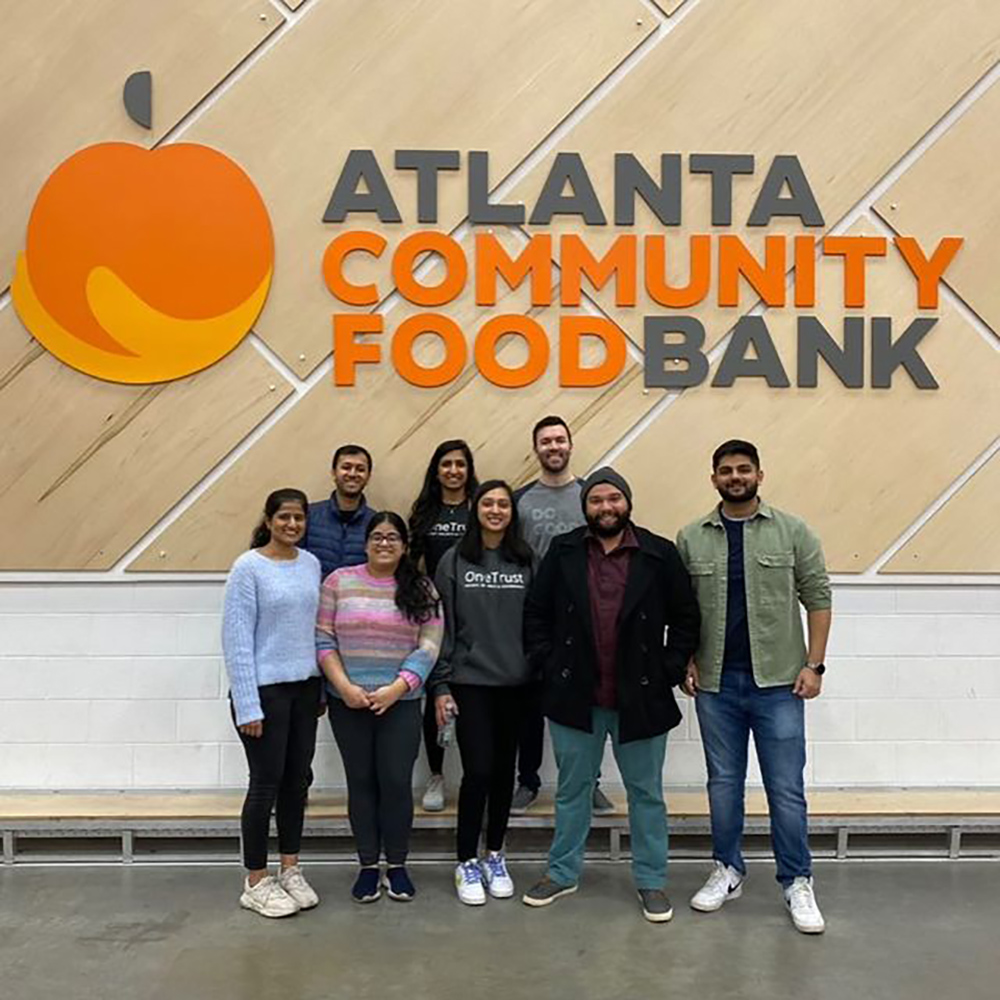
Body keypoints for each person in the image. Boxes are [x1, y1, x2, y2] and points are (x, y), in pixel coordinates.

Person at [521, 468, 700, 923]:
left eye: (613, 499)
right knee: (571, 791)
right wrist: (546, 662)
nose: (605, 507)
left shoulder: (660, 554)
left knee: (646, 794)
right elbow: (536, 614)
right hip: (573, 694)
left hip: (641, 695)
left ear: (627, 503)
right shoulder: (563, 551)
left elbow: (685, 618)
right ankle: (562, 873)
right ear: (585, 507)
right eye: (596, 500)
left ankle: (651, 881)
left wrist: (669, 668)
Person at [676, 440, 832, 935]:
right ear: (714, 478)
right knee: (723, 786)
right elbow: (680, 612)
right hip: (718, 685)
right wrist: (688, 661)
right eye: (726, 470)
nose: (735, 477)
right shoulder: (691, 537)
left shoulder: (792, 531)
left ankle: (797, 880)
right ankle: (728, 869)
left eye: (744, 469)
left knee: (785, 789)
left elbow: (819, 598)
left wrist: (816, 665)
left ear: (760, 475)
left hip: (780, 684)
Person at [315, 512, 443, 904]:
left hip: (400, 704)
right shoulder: (338, 582)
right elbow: (323, 640)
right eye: (377, 536)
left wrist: (397, 687)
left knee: (395, 783)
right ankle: (369, 866)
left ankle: (398, 866)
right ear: (366, 542)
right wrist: (344, 687)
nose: (384, 543)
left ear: (404, 546)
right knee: (362, 784)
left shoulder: (421, 587)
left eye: (392, 537)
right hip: (347, 702)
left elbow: (429, 646)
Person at [430, 480, 535, 905]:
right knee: (477, 773)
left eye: (503, 505)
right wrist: (439, 683)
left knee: (503, 774)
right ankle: (465, 861)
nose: (495, 510)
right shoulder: (454, 561)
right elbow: (439, 629)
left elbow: (539, 621)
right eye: (488, 504)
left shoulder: (528, 560)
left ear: (512, 513)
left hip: (517, 684)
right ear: (476, 510)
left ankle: (495, 853)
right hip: (470, 684)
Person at [222, 488, 324, 918]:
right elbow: (236, 638)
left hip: (304, 689)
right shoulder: (248, 568)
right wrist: (248, 704)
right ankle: (256, 879)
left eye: (299, 518)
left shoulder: (312, 565)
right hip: (263, 692)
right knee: (265, 784)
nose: (292, 525)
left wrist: (318, 687)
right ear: (268, 520)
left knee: (297, 782)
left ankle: (290, 868)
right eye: (284, 517)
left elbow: (315, 629)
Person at [513, 416, 613, 815]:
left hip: (586, 618)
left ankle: (590, 783)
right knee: (530, 705)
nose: (553, 447)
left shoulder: (592, 496)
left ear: (570, 445)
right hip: (536, 617)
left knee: (589, 703)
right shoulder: (520, 498)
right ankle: (528, 781)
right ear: (535, 449)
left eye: (559, 440)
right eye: (545, 441)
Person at [408, 439, 479, 813]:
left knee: (472, 695)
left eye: (460, 464)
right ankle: (436, 774)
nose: (453, 470)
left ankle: (475, 776)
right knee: (434, 693)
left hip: (475, 613)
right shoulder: (424, 512)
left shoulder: (478, 508)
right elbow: (412, 565)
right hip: (434, 616)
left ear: (469, 470)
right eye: (446, 464)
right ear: (436, 471)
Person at [302, 444, 374, 580]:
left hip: (357, 598)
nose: (353, 474)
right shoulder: (308, 516)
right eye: (346, 467)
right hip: (314, 598)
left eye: (360, 469)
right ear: (334, 472)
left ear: (368, 476)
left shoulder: (376, 523)